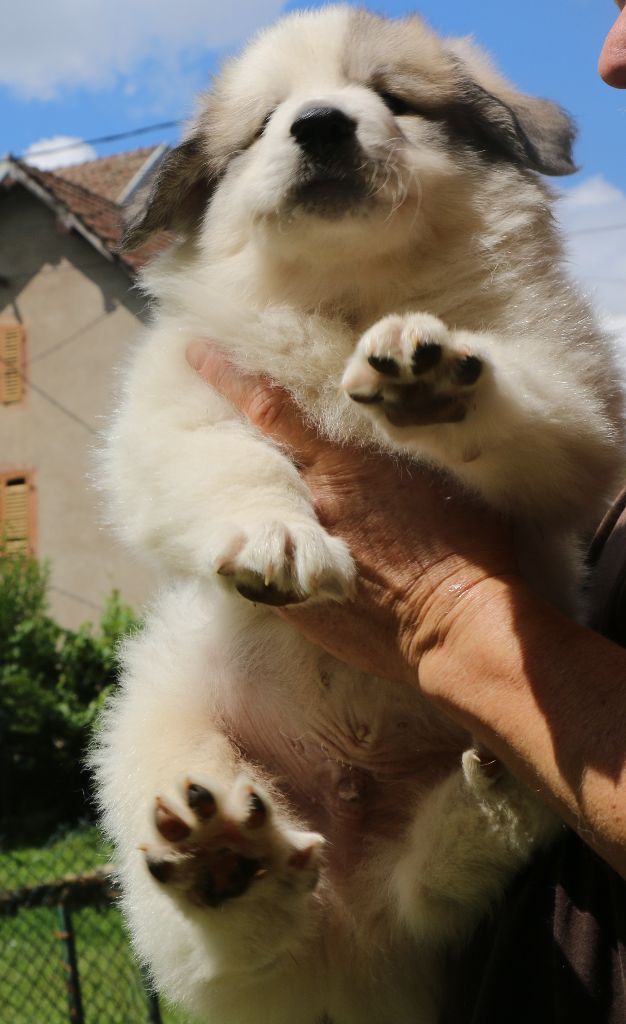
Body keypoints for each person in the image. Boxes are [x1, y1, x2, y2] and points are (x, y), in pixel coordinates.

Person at [185, 5, 626, 1020]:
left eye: (392, 96)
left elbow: (566, 467)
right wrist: (246, 495)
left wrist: (443, 606)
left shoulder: (510, 306)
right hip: (294, 767)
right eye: (263, 123)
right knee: (170, 715)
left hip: (447, 822)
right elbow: (158, 459)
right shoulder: (214, 328)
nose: (320, 118)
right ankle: (235, 915)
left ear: (492, 143)